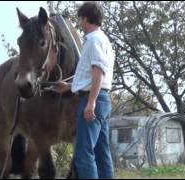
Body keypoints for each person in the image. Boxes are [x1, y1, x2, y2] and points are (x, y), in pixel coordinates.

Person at [50, 2, 115, 179]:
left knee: (83, 154)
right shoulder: (103, 39)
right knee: (102, 154)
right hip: (102, 99)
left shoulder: (93, 40)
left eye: (80, 19)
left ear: (85, 18)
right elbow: (91, 77)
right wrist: (69, 87)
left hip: (93, 100)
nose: (79, 23)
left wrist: (91, 103)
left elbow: (98, 72)